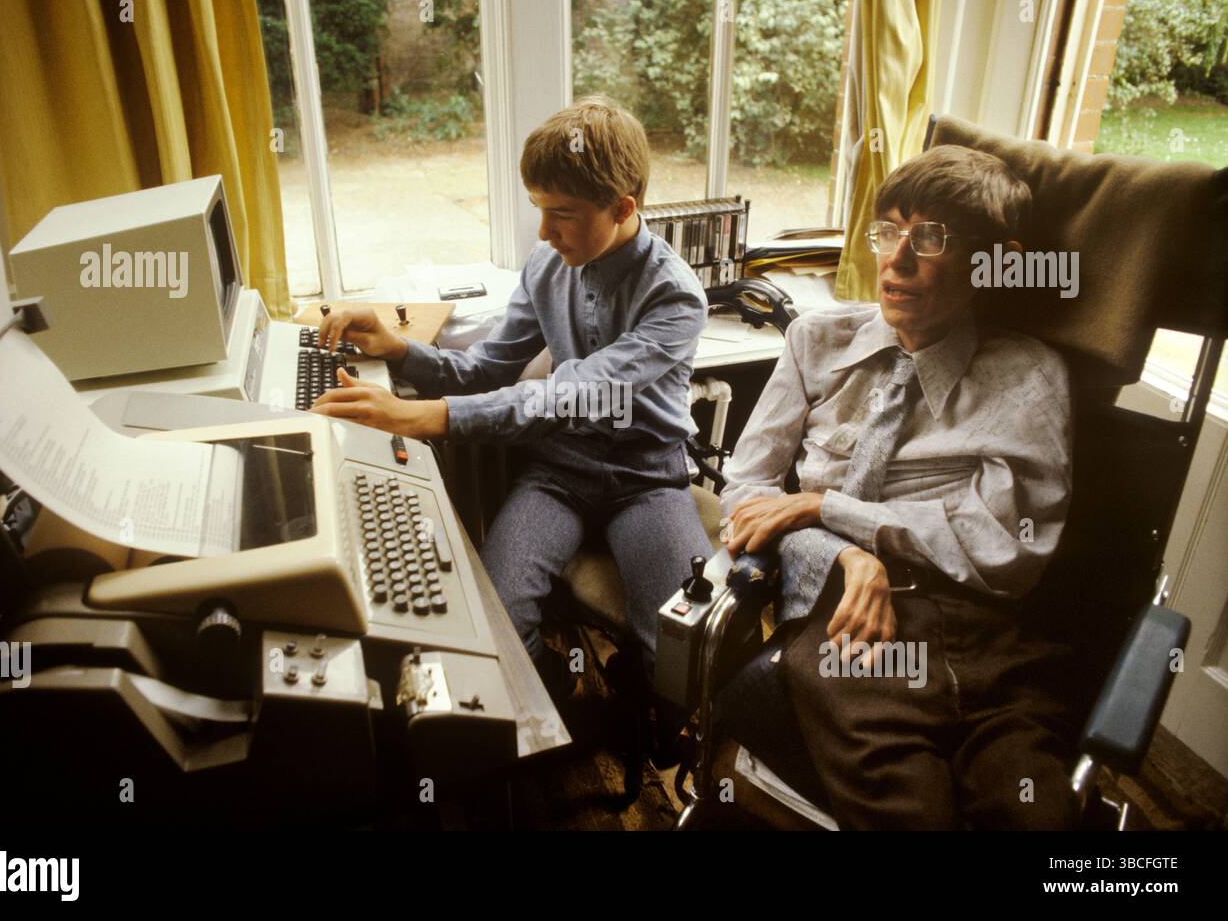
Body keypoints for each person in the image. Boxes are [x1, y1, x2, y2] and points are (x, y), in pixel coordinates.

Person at [716, 144, 1079, 829]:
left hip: (991, 638)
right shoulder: (814, 342)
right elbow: (746, 493)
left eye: (932, 238)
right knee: (903, 809)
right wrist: (846, 554)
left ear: (994, 261)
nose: (897, 259)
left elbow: (1006, 551)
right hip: (853, 624)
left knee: (1034, 808)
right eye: (888, 230)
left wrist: (832, 508)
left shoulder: (1031, 377)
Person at [310, 95, 713, 709]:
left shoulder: (676, 299)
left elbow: (573, 396)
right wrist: (396, 350)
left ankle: (662, 718)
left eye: (562, 214)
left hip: (647, 476)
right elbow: (485, 369)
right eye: (538, 211)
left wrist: (429, 419)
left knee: (685, 637)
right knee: (496, 610)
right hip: (560, 472)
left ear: (623, 207)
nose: (545, 233)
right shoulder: (547, 263)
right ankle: (553, 698)